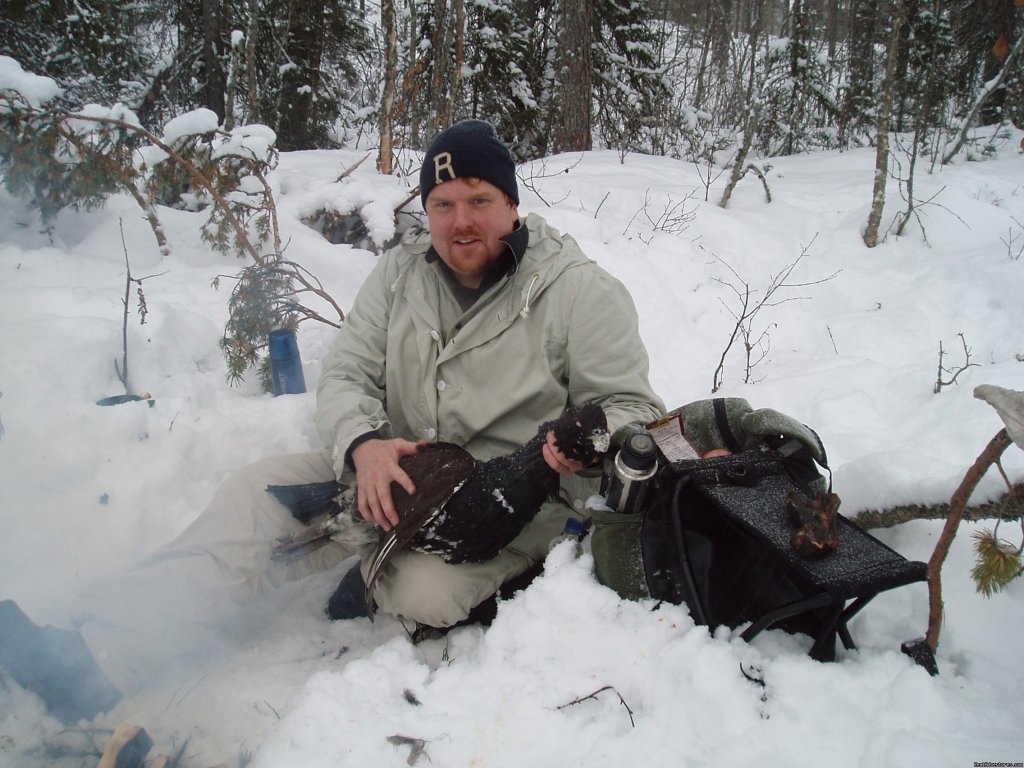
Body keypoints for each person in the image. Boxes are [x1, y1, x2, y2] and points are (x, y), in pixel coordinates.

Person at [0, 119, 664, 723]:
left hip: (509, 500)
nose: (461, 221)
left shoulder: (577, 291)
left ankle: (440, 576)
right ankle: (97, 650)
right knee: (256, 496)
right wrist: (364, 445)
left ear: (512, 204)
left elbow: (635, 408)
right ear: (427, 212)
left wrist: (575, 440)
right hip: (393, 475)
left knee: (424, 591)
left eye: (479, 199)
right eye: (443, 205)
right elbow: (346, 376)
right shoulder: (400, 275)